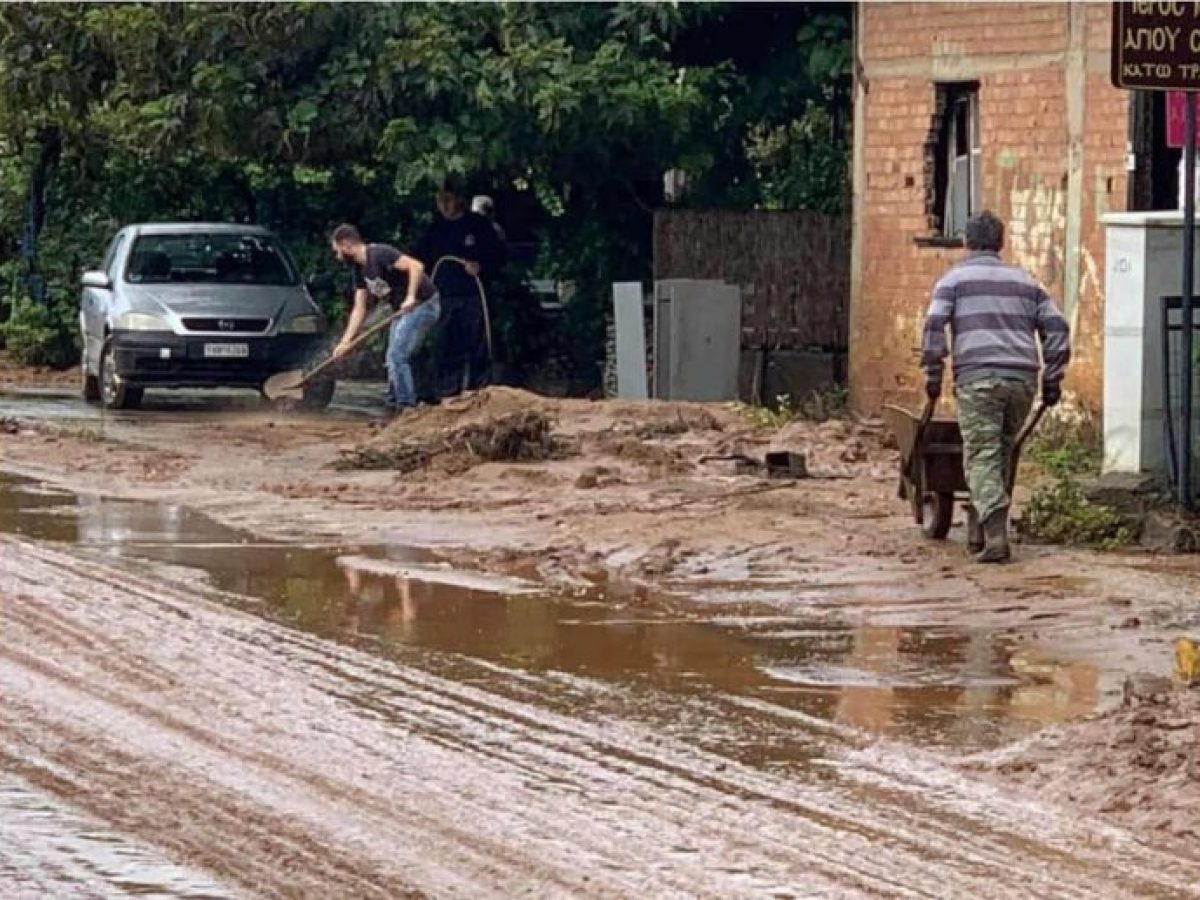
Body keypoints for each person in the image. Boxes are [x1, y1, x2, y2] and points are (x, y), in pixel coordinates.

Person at [921, 210, 1071, 563]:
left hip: (978, 377)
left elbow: (933, 325)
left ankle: (995, 537)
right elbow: (1057, 327)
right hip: (1022, 379)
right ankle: (980, 529)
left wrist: (932, 373)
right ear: (1000, 243)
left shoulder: (953, 280)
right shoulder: (1025, 282)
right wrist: (1052, 378)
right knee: (1003, 452)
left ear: (966, 242)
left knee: (982, 456)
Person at [329, 223, 441, 418]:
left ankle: (407, 409)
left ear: (347, 245)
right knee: (391, 357)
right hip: (402, 311)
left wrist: (410, 296)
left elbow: (416, 266)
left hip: (423, 305)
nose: (337, 257)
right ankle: (393, 406)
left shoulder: (380, 253)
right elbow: (359, 308)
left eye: (337, 251)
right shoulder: (359, 269)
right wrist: (345, 341)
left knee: (398, 355)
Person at [418, 180, 506, 398]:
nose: (444, 205)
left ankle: (479, 391)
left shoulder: (478, 225)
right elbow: (421, 260)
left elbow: (498, 256)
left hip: (474, 294)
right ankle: (446, 392)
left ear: (458, 200)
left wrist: (480, 266)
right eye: (440, 201)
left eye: (448, 200)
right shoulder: (434, 229)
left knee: (478, 343)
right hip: (444, 295)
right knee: (445, 344)